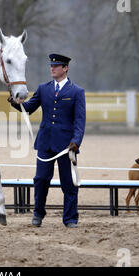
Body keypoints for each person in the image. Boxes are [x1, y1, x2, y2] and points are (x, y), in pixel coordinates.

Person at [9, 53, 86, 228]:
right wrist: (14, 102)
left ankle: (70, 218)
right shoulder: (43, 88)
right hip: (45, 143)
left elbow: (80, 120)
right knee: (41, 179)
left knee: (69, 183)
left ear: (65, 68)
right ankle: (38, 213)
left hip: (67, 145)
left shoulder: (76, 91)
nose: (52, 68)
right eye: (51, 66)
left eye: (56, 66)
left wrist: (76, 141)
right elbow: (28, 108)